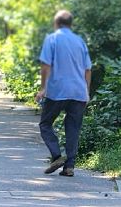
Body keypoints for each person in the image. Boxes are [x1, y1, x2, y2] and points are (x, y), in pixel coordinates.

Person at [37, 9, 92, 176]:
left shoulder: (52, 39)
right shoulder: (80, 41)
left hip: (57, 90)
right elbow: (88, 69)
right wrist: (86, 92)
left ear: (56, 23)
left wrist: (43, 88)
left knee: (45, 124)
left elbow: (46, 65)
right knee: (73, 128)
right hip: (79, 91)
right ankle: (69, 167)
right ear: (70, 24)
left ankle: (56, 156)